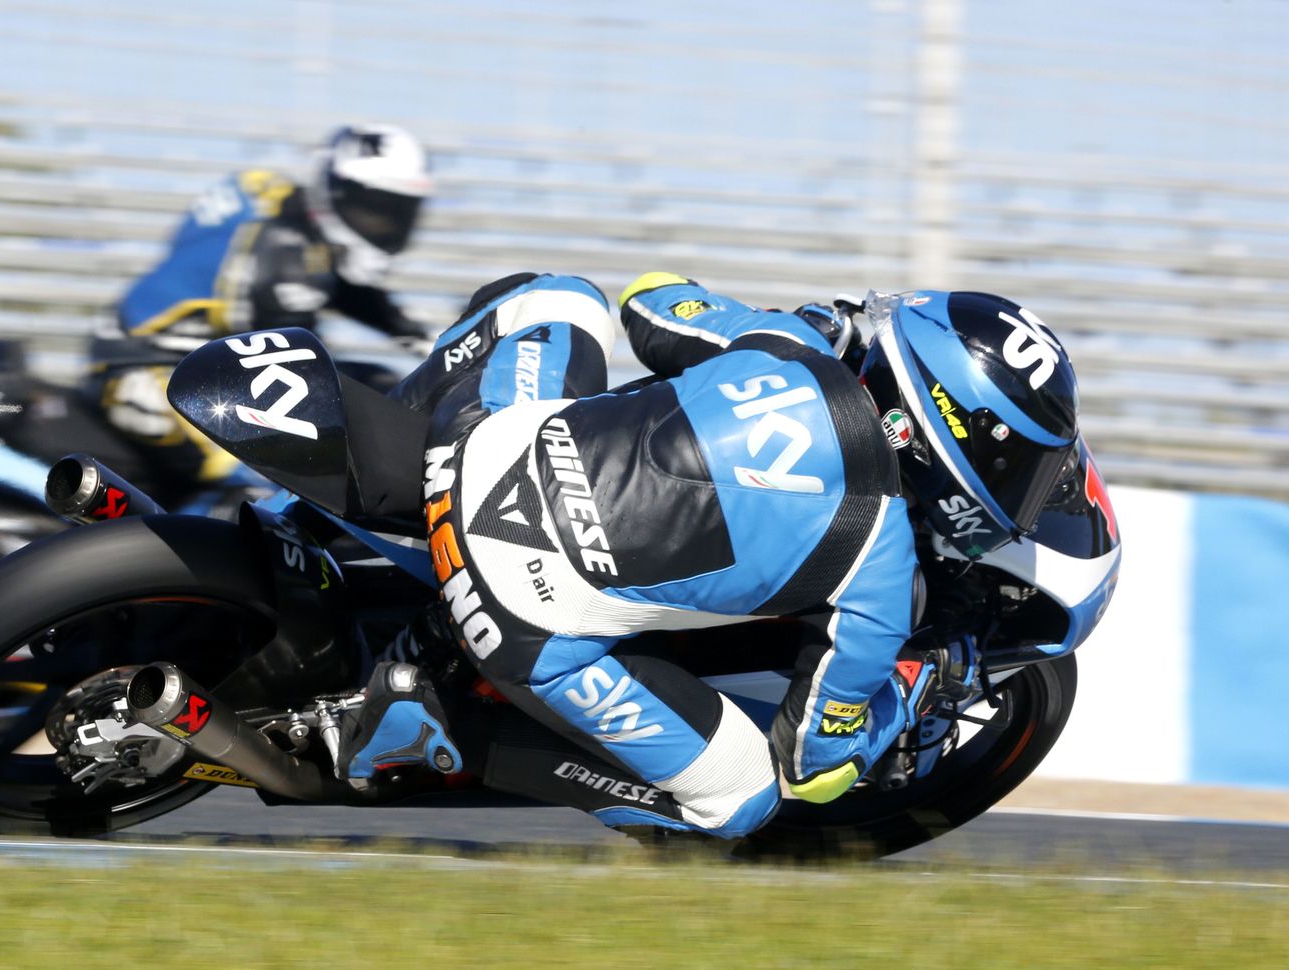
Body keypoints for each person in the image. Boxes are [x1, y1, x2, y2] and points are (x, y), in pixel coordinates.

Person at [339, 271, 1117, 840]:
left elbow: (651, 301)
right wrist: (916, 685)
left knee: (557, 298)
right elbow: (816, 766)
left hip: (477, 442)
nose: (1015, 487)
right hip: (510, 615)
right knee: (743, 800)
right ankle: (435, 728)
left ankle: (351, 480)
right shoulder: (878, 576)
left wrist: (794, 326)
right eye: (1012, 464)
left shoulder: (788, 346)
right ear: (941, 435)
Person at [88, 124, 435, 484]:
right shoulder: (284, 252)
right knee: (266, 475)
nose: (384, 224)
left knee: (373, 384)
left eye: (397, 212)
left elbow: (349, 291)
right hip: (144, 371)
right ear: (333, 190)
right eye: (373, 209)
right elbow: (301, 372)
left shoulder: (288, 213)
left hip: (204, 368)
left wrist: (429, 341)